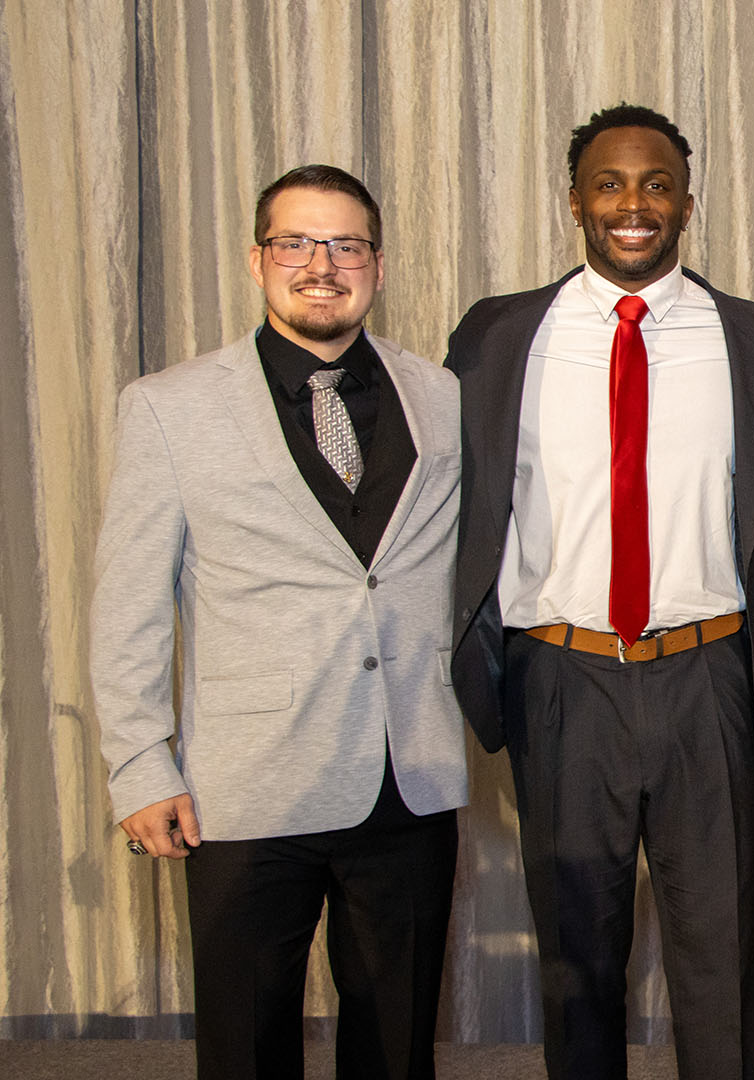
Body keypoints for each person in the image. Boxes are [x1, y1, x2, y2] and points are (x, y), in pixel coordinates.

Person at [445, 104, 754, 1080]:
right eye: (609, 183)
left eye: (655, 184)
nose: (633, 204)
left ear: (688, 202)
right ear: (575, 200)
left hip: (711, 682)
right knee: (577, 968)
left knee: (726, 962)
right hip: (563, 684)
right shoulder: (495, 339)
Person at [91, 165, 466, 1079]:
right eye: (296, 243)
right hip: (245, 784)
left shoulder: (445, 398)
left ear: (376, 266)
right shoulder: (168, 406)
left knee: (398, 1040)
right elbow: (128, 599)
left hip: (408, 769)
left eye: (345, 245)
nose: (321, 265)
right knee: (248, 1041)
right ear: (258, 260)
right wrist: (140, 761)